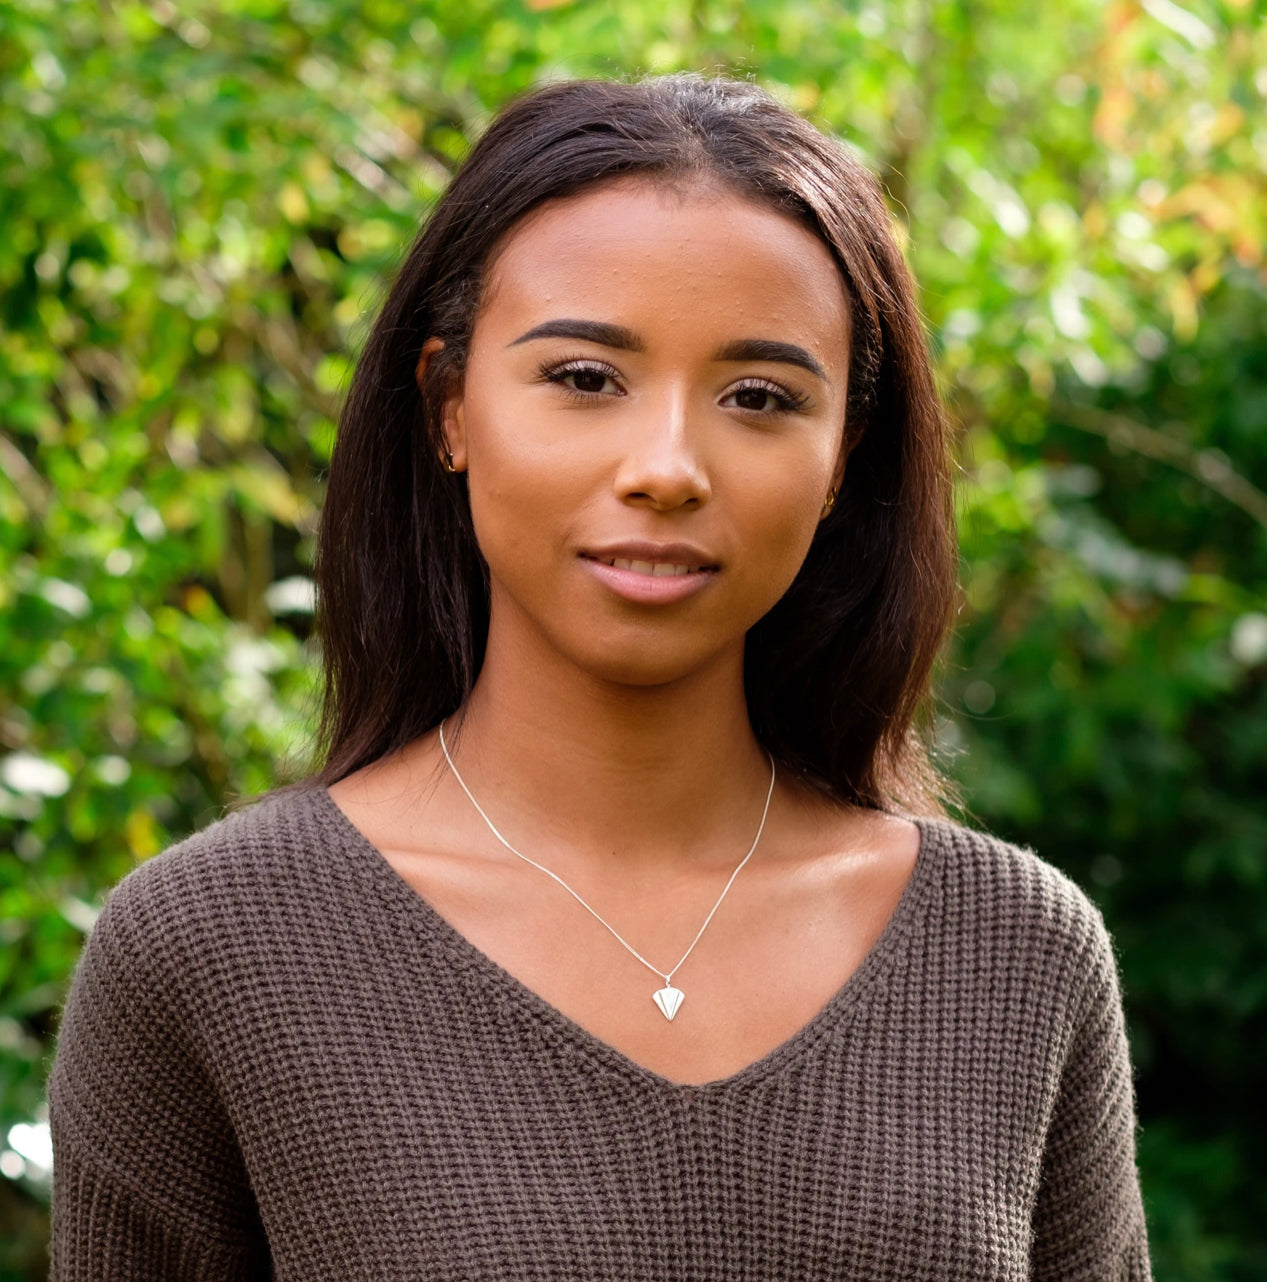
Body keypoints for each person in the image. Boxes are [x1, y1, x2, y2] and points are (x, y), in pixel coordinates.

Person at [47, 74, 1151, 1279]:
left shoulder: (1014, 954)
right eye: (584, 378)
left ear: (842, 461)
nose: (666, 466)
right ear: (449, 408)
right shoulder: (213, 945)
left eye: (758, 397)